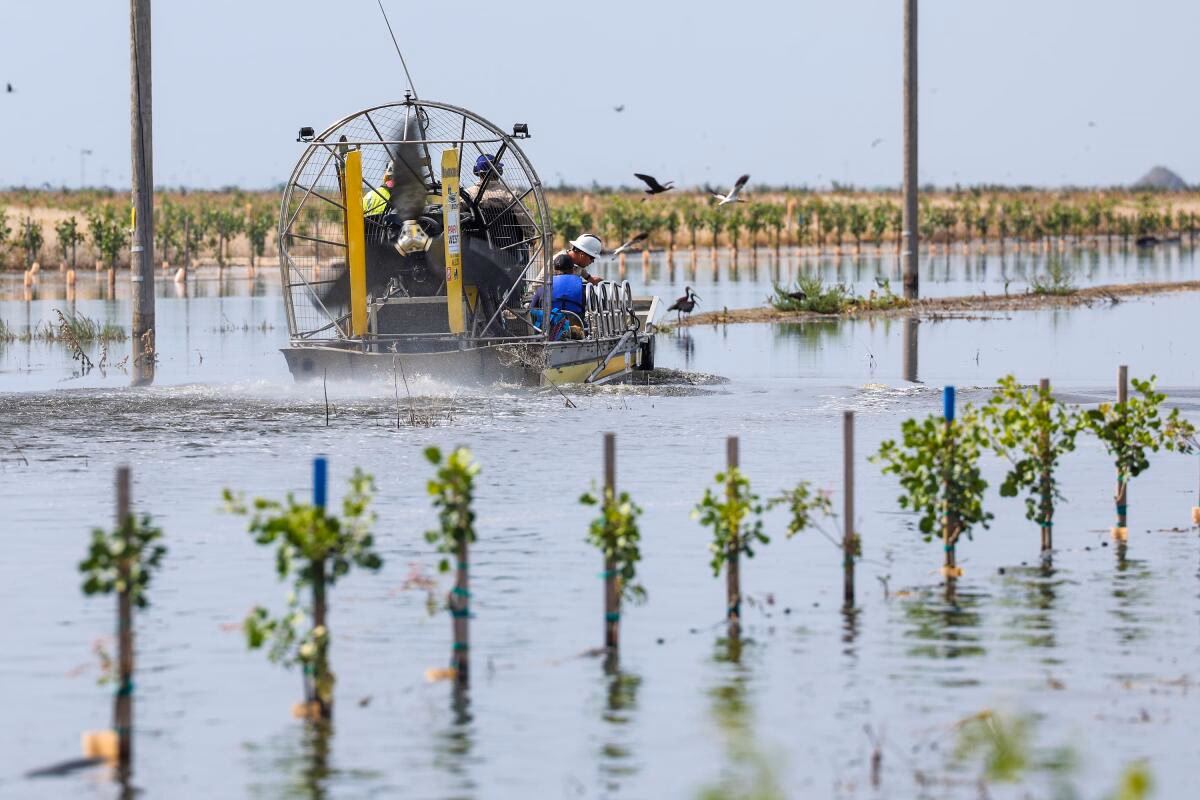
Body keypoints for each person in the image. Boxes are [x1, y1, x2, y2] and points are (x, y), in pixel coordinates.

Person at [529, 233, 604, 321]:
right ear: (582, 254)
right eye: (592, 258)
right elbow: (536, 288)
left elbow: (583, 272)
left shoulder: (579, 263)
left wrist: (590, 279)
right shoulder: (556, 262)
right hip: (550, 313)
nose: (592, 262)